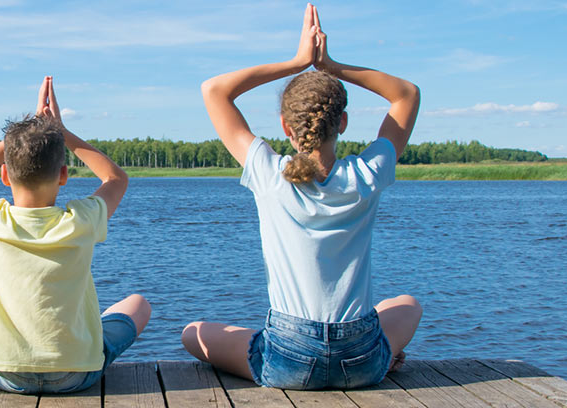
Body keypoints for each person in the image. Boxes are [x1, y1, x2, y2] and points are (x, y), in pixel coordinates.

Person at [181, 4, 423, 390]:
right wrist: (330, 65)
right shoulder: (367, 174)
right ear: (342, 122)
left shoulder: (269, 174)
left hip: (289, 358)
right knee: (409, 304)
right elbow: (407, 94)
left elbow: (214, 90)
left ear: (285, 126)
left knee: (192, 333)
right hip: (359, 358)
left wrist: (298, 62)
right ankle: (383, 354)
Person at [0, 76, 151, 394]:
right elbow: (115, 177)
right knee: (139, 304)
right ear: (64, 175)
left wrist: (29, 133)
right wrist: (60, 132)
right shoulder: (82, 219)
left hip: (5, 374)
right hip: (76, 374)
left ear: (5, 175)